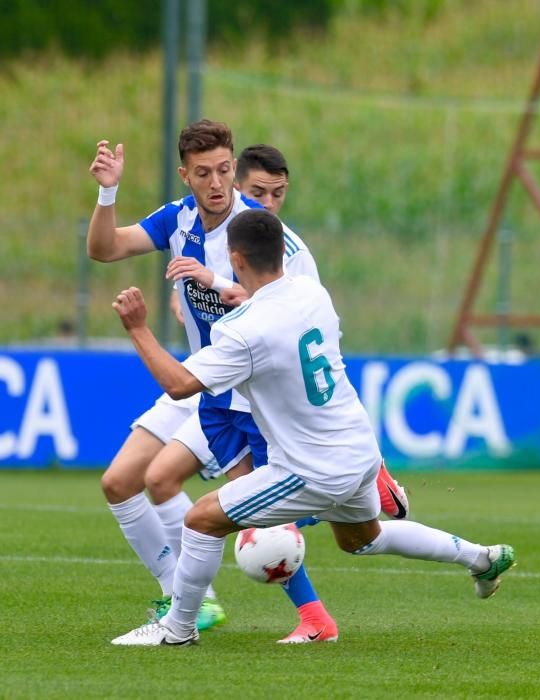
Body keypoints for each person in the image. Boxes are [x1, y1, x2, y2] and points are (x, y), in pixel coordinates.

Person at [109, 208, 516, 647]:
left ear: (237, 259)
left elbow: (179, 385)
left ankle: (178, 629)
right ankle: (482, 558)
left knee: (201, 519)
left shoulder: (245, 331)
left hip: (310, 468)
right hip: (360, 452)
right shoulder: (310, 292)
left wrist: (138, 328)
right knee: (362, 540)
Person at [88, 122, 340, 642]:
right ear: (187, 176)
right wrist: (108, 191)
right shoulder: (177, 219)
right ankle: (192, 601)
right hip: (200, 381)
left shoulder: (263, 235)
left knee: (263, 511)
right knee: (122, 482)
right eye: (204, 173)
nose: (218, 183)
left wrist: (219, 284)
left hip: (247, 391)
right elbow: (105, 248)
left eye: (225, 170)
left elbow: (302, 310)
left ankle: (314, 603)